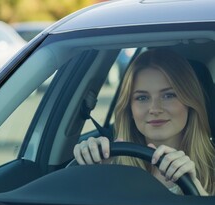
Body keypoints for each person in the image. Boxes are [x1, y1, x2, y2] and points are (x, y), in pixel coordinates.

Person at [73, 49, 215, 196]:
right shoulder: (112, 164)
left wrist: (198, 193)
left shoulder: (212, 167)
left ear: (189, 102)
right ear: (130, 110)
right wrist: (92, 171)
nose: (155, 109)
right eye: (142, 98)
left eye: (169, 95)